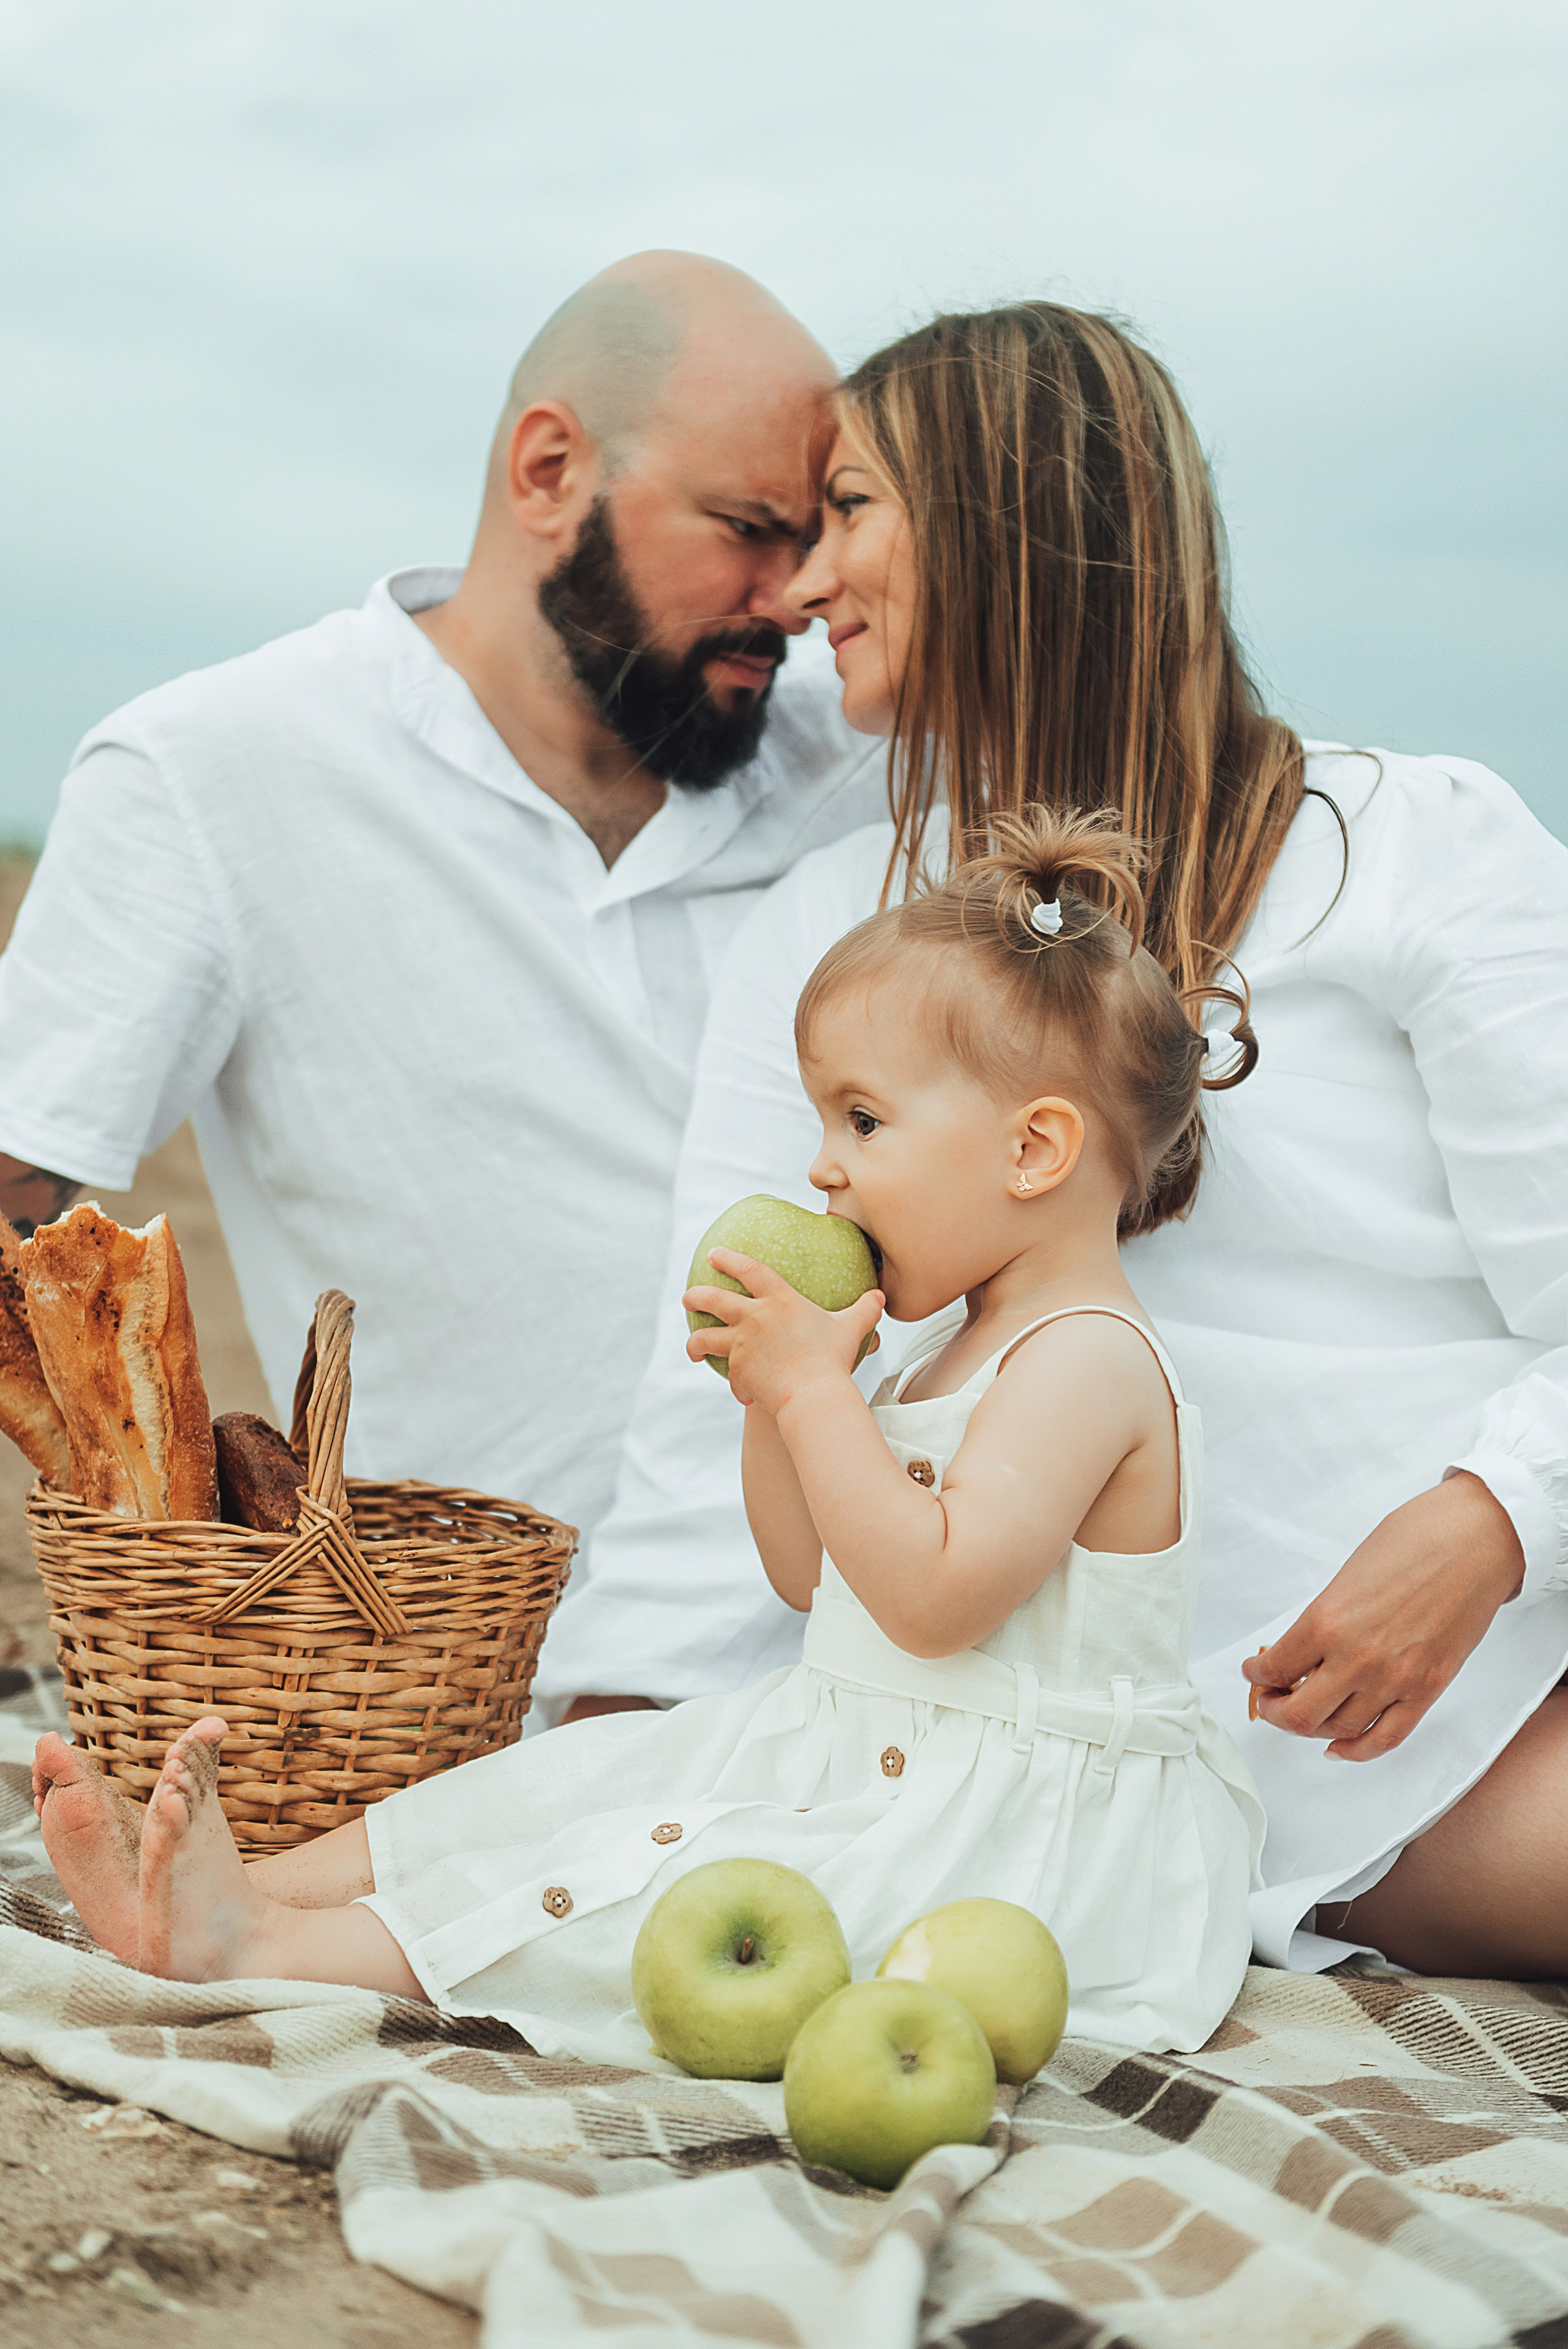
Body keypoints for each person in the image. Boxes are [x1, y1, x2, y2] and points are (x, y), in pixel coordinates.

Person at [539, 300, 1568, 1981]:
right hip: (1213, 1749)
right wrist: (631, 1739)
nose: (803, 587)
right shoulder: (832, 927)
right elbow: (722, 1370)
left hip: (1503, 1634)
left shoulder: (1413, 850)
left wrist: (1494, 1517)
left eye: (853, 510)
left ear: (1018, 521)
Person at [34, 809, 1262, 2059]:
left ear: (1033, 1148)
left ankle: (266, 1946)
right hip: (856, 1746)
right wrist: (770, 1408)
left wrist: (812, 1398)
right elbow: (812, 1573)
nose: (821, 1170)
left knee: (648, 1885)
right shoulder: (938, 1350)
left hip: (998, 1834)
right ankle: (262, 1882)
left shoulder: (1087, 1363)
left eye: (863, 1121)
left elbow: (934, 1601)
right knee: (572, 1782)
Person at [0, 251, 882, 1566]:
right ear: (547, 471)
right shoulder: (213, 770)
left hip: (876, 1666)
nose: (795, 598)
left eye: (820, 541)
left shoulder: (866, 770)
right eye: (751, 529)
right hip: (457, 1699)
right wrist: (192, 1549)